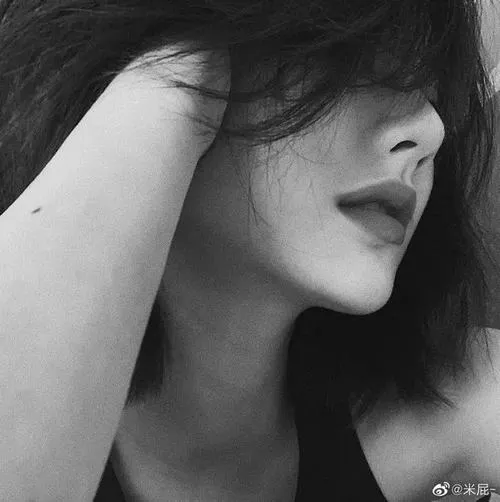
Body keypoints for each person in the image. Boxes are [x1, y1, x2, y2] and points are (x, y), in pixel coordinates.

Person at [0, 0, 499, 501]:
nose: (431, 131)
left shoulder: (457, 407)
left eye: (432, 94)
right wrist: (172, 80)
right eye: (347, 59)